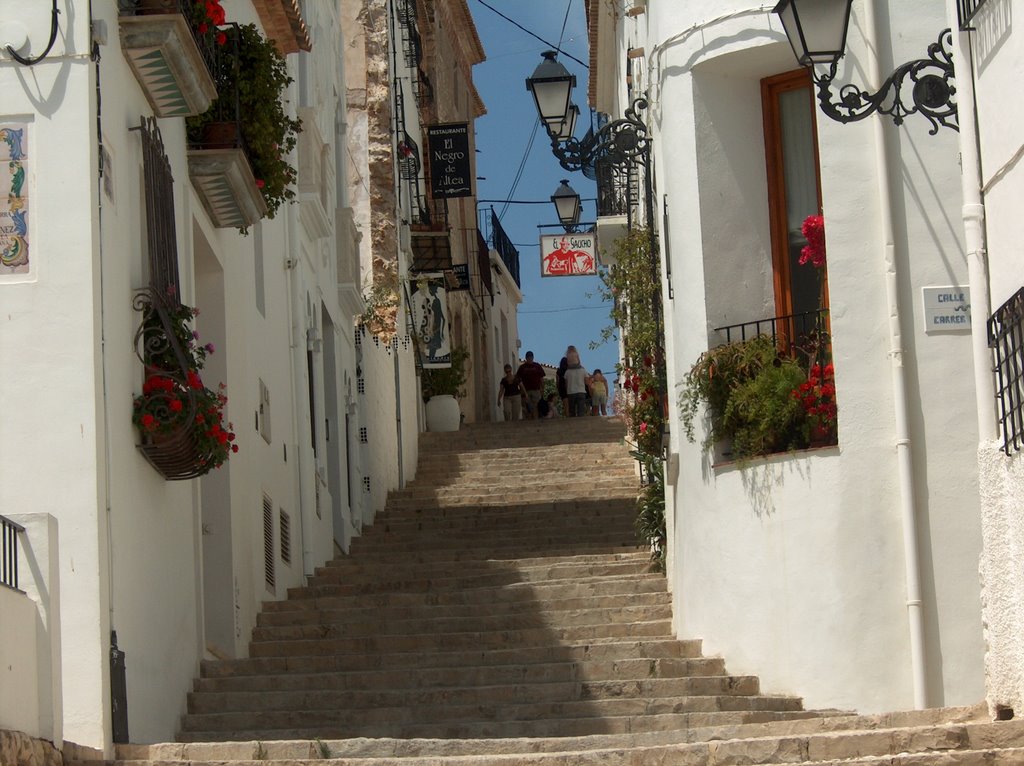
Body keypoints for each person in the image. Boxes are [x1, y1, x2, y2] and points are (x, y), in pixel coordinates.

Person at [515, 351, 546, 419]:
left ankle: (535, 420)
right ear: (526, 358)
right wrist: (521, 390)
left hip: (536, 390)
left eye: (530, 357)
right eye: (528, 357)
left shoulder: (537, 366)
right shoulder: (522, 367)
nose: (529, 358)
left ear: (533, 357)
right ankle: (528, 422)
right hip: (526, 391)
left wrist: (542, 389)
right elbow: (518, 379)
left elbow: (541, 378)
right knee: (527, 407)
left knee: (535, 406)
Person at [562, 346, 590, 417]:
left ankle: (573, 425)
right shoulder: (583, 370)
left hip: (571, 392)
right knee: (581, 411)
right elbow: (587, 382)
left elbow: (566, 384)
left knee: (572, 411)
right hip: (581, 391)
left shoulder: (567, 372)